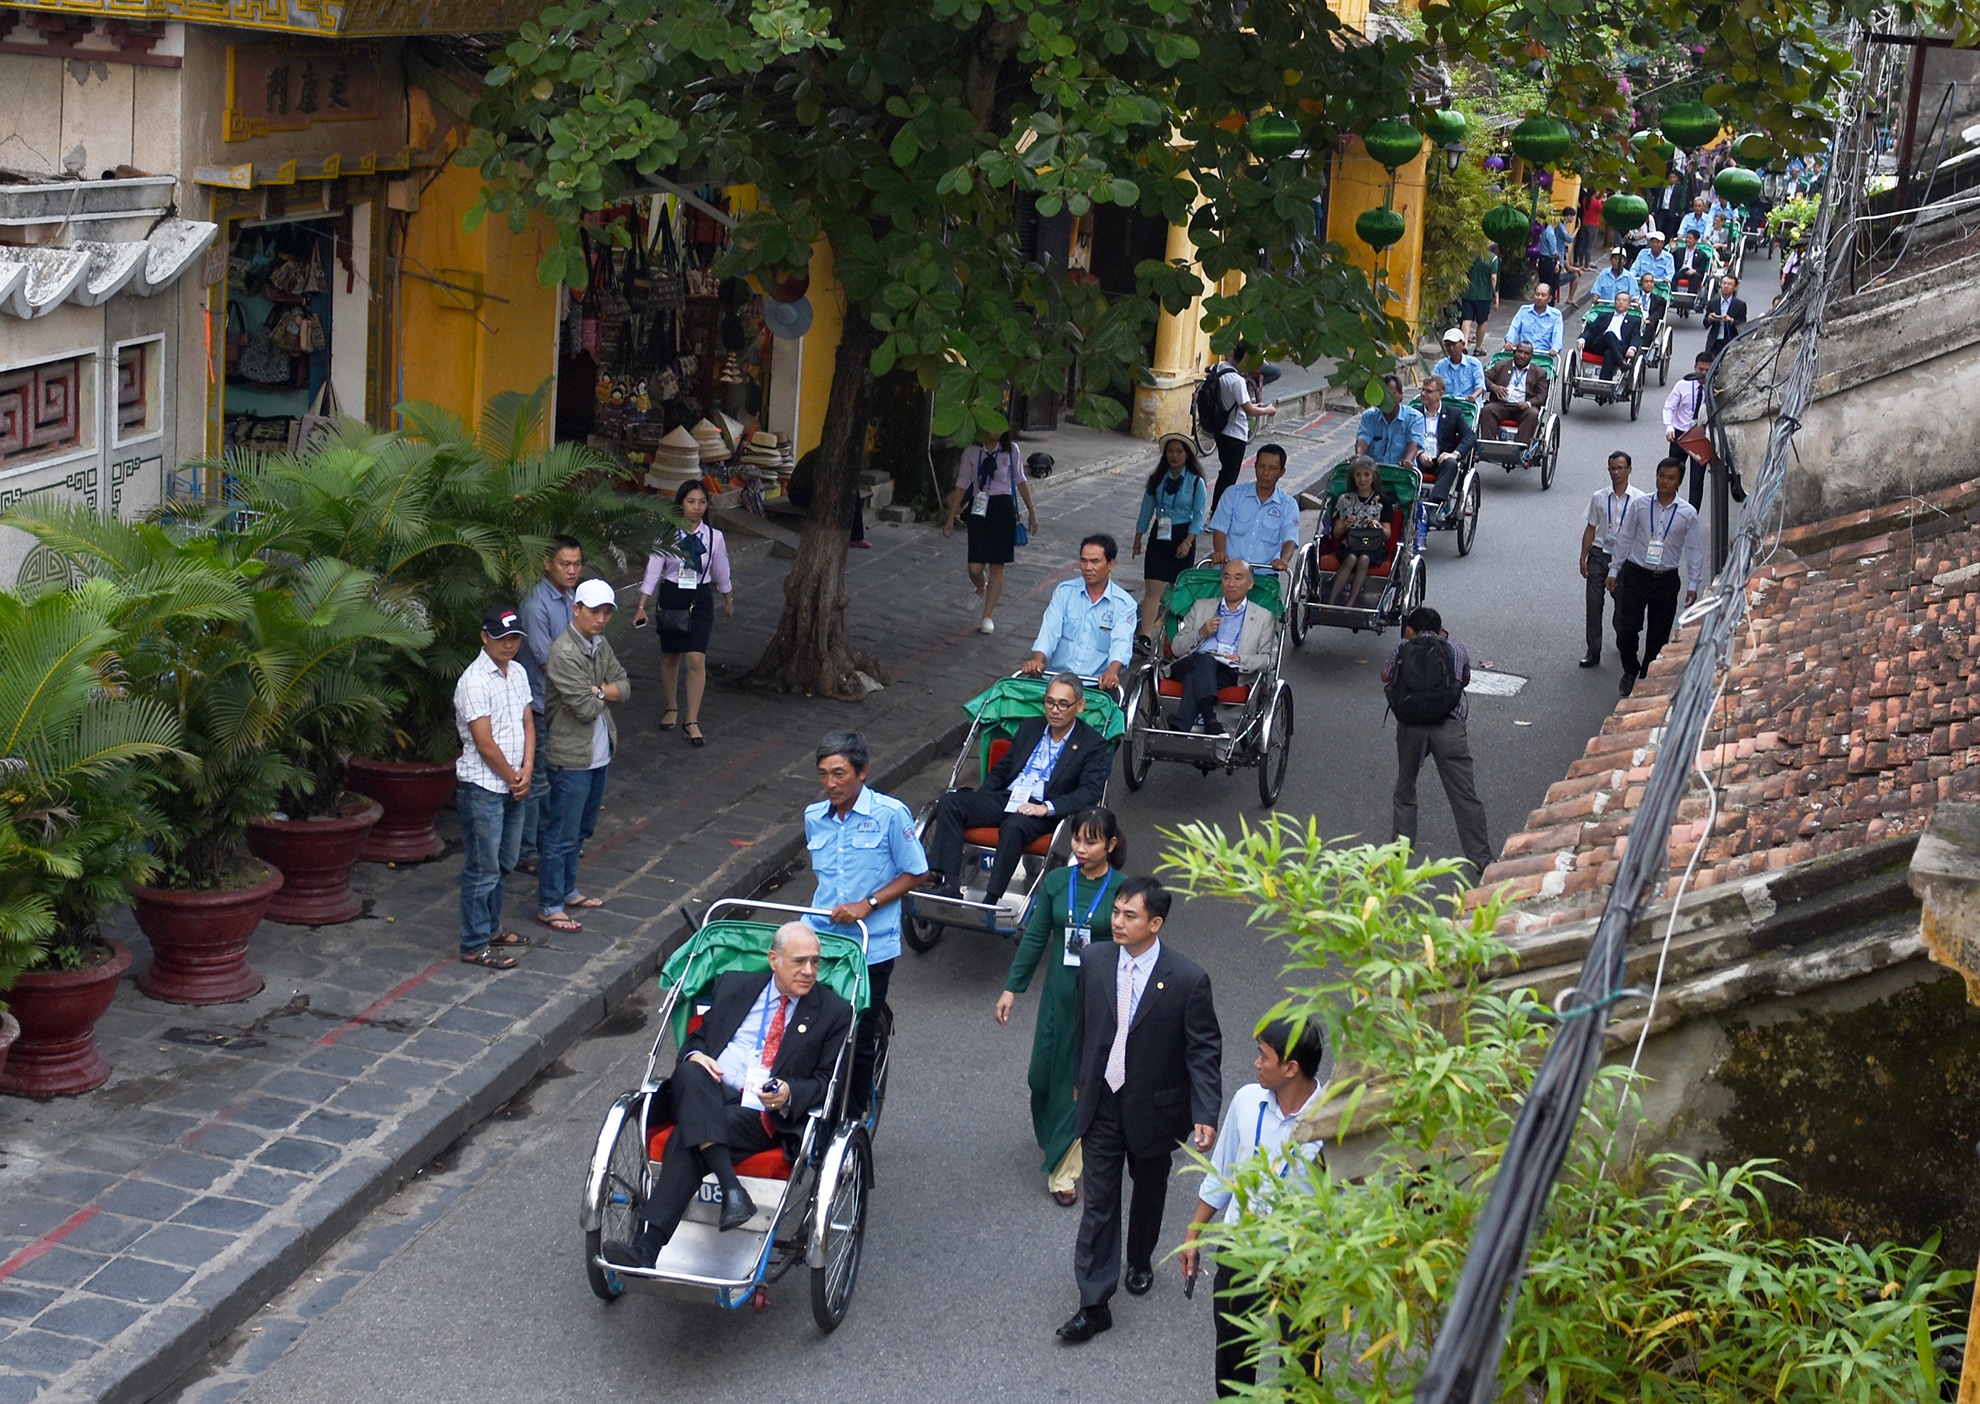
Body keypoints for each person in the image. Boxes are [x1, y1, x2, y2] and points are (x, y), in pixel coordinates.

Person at [604, 922, 854, 1265]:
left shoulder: (834, 1012)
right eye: (799, 961)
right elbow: (698, 1040)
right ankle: (731, 1188)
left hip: (759, 1110)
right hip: (708, 1088)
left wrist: (789, 1092)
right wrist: (697, 1054)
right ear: (773, 959)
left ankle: (648, 1248)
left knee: (689, 1136)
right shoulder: (734, 986)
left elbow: (827, 1082)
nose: (809, 971)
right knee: (691, 1070)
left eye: (815, 961)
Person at [1057, 877, 1221, 1343]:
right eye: (1116, 912)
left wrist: (1205, 1110)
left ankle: (1142, 1257)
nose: (1118, 922)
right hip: (1104, 1102)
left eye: (1130, 916)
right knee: (1100, 1202)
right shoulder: (1095, 959)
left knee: (1148, 1190)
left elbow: (1203, 1052)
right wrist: (1079, 1082)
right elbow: (1084, 1025)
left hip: (1155, 1109)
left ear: (1156, 923)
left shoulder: (1188, 979)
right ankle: (1093, 1302)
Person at [1178, 1017, 1327, 1397]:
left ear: (1291, 1068)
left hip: (1301, 1262)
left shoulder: (1331, 1122)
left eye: (1264, 1057)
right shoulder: (1247, 1101)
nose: (1256, 1064)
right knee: (1233, 1357)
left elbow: (1345, 1202)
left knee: (1302, 1366)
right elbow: (1222, 1173)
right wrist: (1193, 1234)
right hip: (1239, 1251)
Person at [995, 807, 1126, 1206]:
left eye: (1092, 841)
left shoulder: (1122, 889)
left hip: (1098, 1001)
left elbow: (1132, 948)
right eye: (1077, 839)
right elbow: (1035, 939)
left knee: (1075, 1082)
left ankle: (1064, 1171)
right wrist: (1011, 989)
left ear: (1111, 845)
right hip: (1057, 996)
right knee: (1040, 1078)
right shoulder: (1055, 882)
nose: (1082, 848)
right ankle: (1057, 1141)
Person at [805, 730, 929, 1115]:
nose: (830, 784)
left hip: (869, 946)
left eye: (839, 774)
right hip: (821, 942)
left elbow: (917, 872)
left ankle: (853, 1128)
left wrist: (869, 903)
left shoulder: (891, 815)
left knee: (858, 1042)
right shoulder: (814, 816)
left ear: (862, 772)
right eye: (824, 774)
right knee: (808, 1033)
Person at [925, 673, 1111, 916]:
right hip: (1008, 797)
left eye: (1063, 704)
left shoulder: (1093, 744)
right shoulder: (1031, 727)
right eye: (1049, 702)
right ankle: (950, 883)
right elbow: (1003, 768)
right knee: (949, 802)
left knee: (1014, 825)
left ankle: (991, 897)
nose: (1055, 710)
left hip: (1044, 808)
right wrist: (984, 798)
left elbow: (1090, 792)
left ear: (1080, 706)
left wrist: (1046, 808)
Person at [537, 578, 628, 933]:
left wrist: (599, 690)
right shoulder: (563, 653)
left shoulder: (599, 645)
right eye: (595, 611)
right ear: (577, 610)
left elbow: (625, 685)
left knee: (581, 829)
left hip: (598, 754)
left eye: (606, 612)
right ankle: (549, 902)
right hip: (570, 757)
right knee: (560, 832)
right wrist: (605, 692)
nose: (601, 619)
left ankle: (567, 889)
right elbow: (586, 707)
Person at [453, 605, 535, 971]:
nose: (510, 645)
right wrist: (513, 776)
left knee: (504, 863)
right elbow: (483, 742)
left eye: (515, 638)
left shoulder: (517, 673)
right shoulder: (472, 681)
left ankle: (492, 927)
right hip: (483, 787)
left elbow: (528, 723)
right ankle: (474, 942)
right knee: (482, 867)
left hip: (513, 783)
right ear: (485, 637)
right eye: (502, 638)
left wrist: (528, 768)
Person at [1382, 605, 1493, 873]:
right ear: (1440, 628)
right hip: (1449, 728)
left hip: (1411, 727)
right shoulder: (1455, 648)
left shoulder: (1401, 647)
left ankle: (1399, 856)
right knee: (1464, 794)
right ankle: (1481, 857)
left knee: (1405, 789)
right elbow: (1463, 680)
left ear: (1410, 630)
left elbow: (1386, 676)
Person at [633, 481, 733, 748]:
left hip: (700, 598)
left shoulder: (714, 537)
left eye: (701, 502)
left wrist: (727, 598)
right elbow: (654, 570)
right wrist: (642, 605)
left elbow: (721, 571)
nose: (696, 507)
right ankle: (671, 706)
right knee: (670, 656)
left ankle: (692, 720)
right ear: (681, 504)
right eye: (691, 502)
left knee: (696, 658)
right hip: (672, 596)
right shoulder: (667, 533)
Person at [1607, 457, 1705, 697]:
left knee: (1658, 636)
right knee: (1627, 628)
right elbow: (1625, 538)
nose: (1664, 481)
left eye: (1671, 478)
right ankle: (1630, 668)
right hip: (1636, 575)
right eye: (1661, 476)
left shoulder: (1687, 513)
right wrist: (1613, 570)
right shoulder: (1640, 505)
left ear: (1679, 481)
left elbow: (1693, 550)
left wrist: (1693, 584)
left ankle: (1646, 678)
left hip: (1666, 580)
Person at [516, 534, 581, 874]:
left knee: (556, 776)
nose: (571, 571)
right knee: (537, 778)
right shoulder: (535, 604)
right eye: (564, 564)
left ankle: (547, 841)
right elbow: (546, 660)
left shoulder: (569, 599)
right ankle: (527, 851)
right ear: (547, 564)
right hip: (540, 704)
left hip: (560, 703)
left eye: (576, 564)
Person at [943, 428, 1038, 636]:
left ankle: (987, 615)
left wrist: (1031, 510)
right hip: (980, 504)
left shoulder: (1011, 450)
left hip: (1003, 506)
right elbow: (962, 483)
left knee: (997, 564)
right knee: (975, 565)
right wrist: (951, 517)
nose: (990, 433)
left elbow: (1020, 479)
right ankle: (980, 586)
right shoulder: (972, 451)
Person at [1168, 560, 1275, 733]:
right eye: (1226, 578)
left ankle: (1181, 726)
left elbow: (1268, 659)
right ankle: (1210, 719)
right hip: (1190, 662)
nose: (1231, 584)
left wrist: (1242, 659)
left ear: (1250, 584)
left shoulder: (1263, 617)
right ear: (1221, 581)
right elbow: (1177, 648)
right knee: (1204, 660)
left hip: (1229, 670)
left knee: (1197, 677)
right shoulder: (1201, 606)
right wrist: (1200, 633)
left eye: (1238, 578)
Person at [1022, 535, 1137, 690]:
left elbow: (1121, 643)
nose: (1088, 567)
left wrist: (1112, 672)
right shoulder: (1064, 592)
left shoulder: (1124, 604)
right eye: (1084, 561)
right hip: (1056, 680)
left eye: (1095, 562)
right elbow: (1049, 631)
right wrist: (1037, 659)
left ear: (1111, 564)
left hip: (1095, 685)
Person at [1132, 434, 1210, 649]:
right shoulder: (1157, 479)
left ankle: (1172, 637)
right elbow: (1146, 509)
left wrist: (1188, 541)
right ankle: (1145, 637)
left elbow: (1199, 514)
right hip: (1160, 534)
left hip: (1183, 535)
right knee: (1153, 586)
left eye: (1179, 451)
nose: (1174, 456)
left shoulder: (1196, 482)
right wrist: (1139, 536)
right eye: (1170, 451)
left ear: (1187, 455)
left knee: (1177, 588)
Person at [1579, 452, 1646, 669]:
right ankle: (1593, 650)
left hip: (1626, 558)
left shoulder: (1639, 499)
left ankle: (1621, 634)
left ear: (1629, 470)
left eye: (1620, 468)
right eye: (1612, 469)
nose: (1616, 473)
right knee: (1594, 602)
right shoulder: (1599, 497)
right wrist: (1584, 556)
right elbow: (1591, 528)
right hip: (1600, 555)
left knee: (1623, 604)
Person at [1205, 343, 1277, 510]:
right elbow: (1249, 410)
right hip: (1235, 433)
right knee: (1229, 477)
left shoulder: (1220, 368)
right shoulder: (1236, 380)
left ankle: (1217, 510)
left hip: (1220, 429)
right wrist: (1268, 410)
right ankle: (1217, 512)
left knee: (1224, 473)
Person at [1206, 443, 1299, 572]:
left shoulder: (1288, 505)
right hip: (1230, 571)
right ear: (1255, 467)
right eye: (1261, 466)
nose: (1265, 473)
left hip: (1264, 575)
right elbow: (1220, 529)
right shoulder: (1233, 494)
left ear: (1281, 472)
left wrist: (1283, 560)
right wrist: (1220, 552)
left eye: (1272, 468)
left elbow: (1289, 538)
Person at [1325, 456, 1393, 607]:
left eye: (1366, 474)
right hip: (1350, 544)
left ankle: (1350, 603)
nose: (1362, 479)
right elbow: (1336, 533)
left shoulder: (1383, 501)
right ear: (1353, 477)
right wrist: (1346, 524)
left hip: (1374, 547)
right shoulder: (1345, 500)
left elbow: (1387, 534)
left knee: (1363, 559)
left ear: (1373, 476)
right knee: (1351, 558)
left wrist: (1377, 525)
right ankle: (1330, 602)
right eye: (1358, 475)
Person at [1414, 374, 1476, 505]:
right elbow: (1405, 437)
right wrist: (1419, 452)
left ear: (1440, 394)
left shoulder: (1454, 413)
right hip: (1418, 458)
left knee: (1451, 464)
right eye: (1422, 390)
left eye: (1428, 391)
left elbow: (1470, 437)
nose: (1423, 394)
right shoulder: (1414, 412)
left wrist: (1453, 454)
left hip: (1441, 459)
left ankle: (1435, 504)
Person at [1664, 350, 1715, 508]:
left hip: (1701, 438)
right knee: (1672, 475)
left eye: (1708, 370)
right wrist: (1669, 427)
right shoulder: (1682, 385)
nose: (1703, 374)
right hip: (1680, 436)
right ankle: (1668, 507)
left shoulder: (1715, 388)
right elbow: (1669, 407)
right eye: (1701, 370)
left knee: (1697, 480)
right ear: (1694, 367)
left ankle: (1692, 514)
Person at [1479, 341, 1551, 449]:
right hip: (1501, 405)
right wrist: (1494, 387)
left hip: (1523, 408)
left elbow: (1542, 396)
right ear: (1514, 352)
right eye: (1519, 352)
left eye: (1526, 353)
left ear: (1531, 356)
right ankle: (1489, 447)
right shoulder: (1501, 366)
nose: (1522, 355)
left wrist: (1528, 403)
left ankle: (1519, 449)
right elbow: (1484, 378)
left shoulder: (1539, 373)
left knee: (1532, 414)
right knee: (1487, 410)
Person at [1576, 289, 1641, 393]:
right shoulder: (1604, 316)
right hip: (1600, 344)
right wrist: (1582, 339)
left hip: (1619, 347)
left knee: (1609, 353)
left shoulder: (1634, 320)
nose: (1620, 302)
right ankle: (1621, 364)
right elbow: (1591, 330)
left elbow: (1636, 336)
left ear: (1629, 304)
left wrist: (1632, 348)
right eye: (1618, 300)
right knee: (1609, 334)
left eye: (1624, 301)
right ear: (1614, 302)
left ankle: (1604, 387)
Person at [1353, 375, 1425, 467]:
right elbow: (1363, 438)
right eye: (1383, 395)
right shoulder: (1369, 416)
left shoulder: (1415, 418)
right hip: (1373, 472)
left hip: (1401, 472)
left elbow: (1413, 443)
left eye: (1392, 394)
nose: (1387, 399)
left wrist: (1407, 461)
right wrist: (1359, 456)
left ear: (1401, 395)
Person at [1503, 283, 1563, 354]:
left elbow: (1557, 334)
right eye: (1537, 294)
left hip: (1543, 356)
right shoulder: (1524, 310)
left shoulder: (1556, 315)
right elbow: (1514, 327)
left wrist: (1555, 348)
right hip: (1523, 353)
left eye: (1543, 295)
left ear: (1549, 299)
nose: (1539, 297)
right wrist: (1509, 341)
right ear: (1533, 296)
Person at [1459, 245, 1500, 344]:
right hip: (1484, 296)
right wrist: (1496, 296)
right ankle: (1478, 348)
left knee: (1466, 319)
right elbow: (1493, 278)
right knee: (1482, 322)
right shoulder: (1493, 258)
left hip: (1468, 294)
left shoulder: (1470, 256)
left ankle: (1464, 345)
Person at [1433, 328, 1485, 403]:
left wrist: (1474, 395)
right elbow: (1432, 385)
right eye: (1448, 345)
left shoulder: (1474, 364)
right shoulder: (1440, 366)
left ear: (1463, 345)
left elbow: (1480, 386)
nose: (1451, 348)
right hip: (1448, 405)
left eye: (1454, 344)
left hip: (1469, 405)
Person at [1701, 273, 1747, 358]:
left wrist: (1731, 320)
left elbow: (1742, 325)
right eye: (1724, 283)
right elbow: (1705, 323)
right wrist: (1710, 319)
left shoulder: (1740, 305)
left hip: (1730, 340)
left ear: (1735, 288)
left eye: (1729, 284)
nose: (1726, 286)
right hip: (1714, 341)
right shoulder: (1712, 303)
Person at [1671, 230, 1714, 298]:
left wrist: (1694, 270)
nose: (1687, 240)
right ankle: (1672, 295)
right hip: (1680, 271)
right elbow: (1671, 262)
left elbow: (1702, 268)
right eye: (1687, 238)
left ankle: (1690, 297)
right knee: (1672, 274)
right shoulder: (1679, 251)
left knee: (1696, 276)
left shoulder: (1701, 254)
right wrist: (1673, 250)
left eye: (1690, 238)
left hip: (1692, 272)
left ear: (1696, 240)